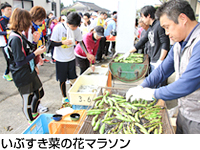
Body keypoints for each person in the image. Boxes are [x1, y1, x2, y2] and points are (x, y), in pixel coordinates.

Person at [126, 0, 200, 134]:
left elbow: (188, 84)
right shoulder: (179, 43)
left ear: (183, 19)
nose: (166, 33)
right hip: (185, 110)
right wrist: (142, 86)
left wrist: (154, 93)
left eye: (167, 27)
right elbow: (162, 70)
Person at [8, 8, 46, 124]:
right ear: (22, 21)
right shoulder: (15, 38)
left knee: (39, 92)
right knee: (27, 100)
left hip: (29, 71)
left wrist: (34, 43)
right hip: (21, 74)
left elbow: (28, 51)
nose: (30, 23)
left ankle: (34, 113)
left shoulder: (20, 35)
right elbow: (19, 61)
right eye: (28, 20)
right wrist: (36, 53)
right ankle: (31, 121)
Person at [50, 12, 94, 104]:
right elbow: (52, 43)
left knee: (73, 78)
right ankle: (64, 97)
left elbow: (81, 42)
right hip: (60, 58)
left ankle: (72, 94)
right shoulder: (58, 28)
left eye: (76, 26)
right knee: (62, 79)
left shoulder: (77, 30)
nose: (74, 28)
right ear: (67, 23)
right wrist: (62, 42)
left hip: (71, 57)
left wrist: (87, 53)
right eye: (73, 26)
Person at [122, 5, 170, 73]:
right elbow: (142, 41)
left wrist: (161, 60)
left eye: (142, 16)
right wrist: (129, 52)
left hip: (159, 61)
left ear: (148, 15)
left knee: (159, 83)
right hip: (153, 60)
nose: (142, 19)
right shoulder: (150, 28)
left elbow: (165, 43)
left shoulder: (159, 25)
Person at [26, 6, 48, 113]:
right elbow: (29, 49)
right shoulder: (29, 28)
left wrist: (39, 57)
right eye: (40, 19)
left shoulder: (35, 27)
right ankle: (35, 109)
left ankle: (36, 107)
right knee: (36, 90)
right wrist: (34, 65)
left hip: (34, 58)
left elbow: (34, 45)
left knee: (37, 89)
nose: (41, 22)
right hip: (30, 62)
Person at [0, 2, 12, 81]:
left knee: (12, 59)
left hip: (11, 42)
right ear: (3, 10)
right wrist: (6, 32)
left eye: (11, 9)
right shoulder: (1, 20)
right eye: (8, 9)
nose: (10, 11)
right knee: (9, 60)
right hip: (4, 44)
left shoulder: (10, 19)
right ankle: (5, 74)